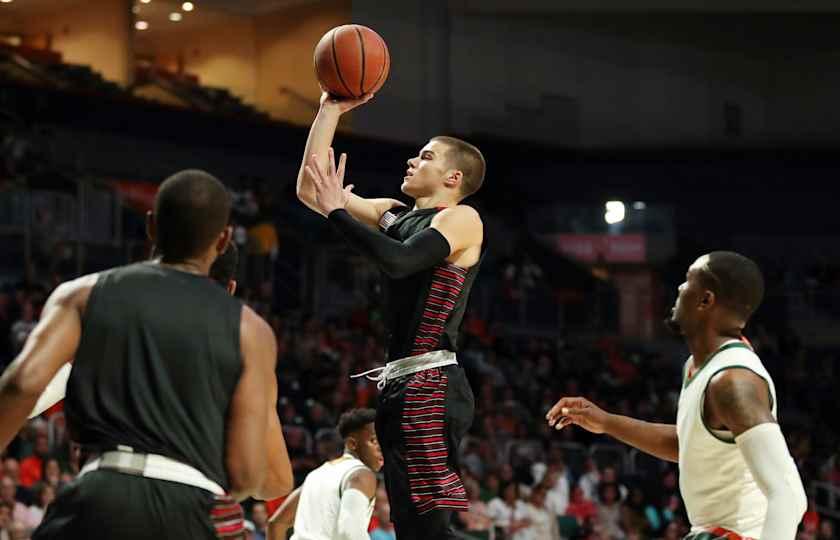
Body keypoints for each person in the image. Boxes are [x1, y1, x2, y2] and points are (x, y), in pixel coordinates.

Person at [0, 170, 293, 539]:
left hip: (98, 493)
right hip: (188, 508)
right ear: (222, 240)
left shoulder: (82, 294)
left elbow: (23, 382)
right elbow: (249, 474)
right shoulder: (252, 332)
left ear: (151, 226)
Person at [297, 90, 485, 540]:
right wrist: (330, 110)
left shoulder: (462, 218)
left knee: (426, 523)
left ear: (453, 175)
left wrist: (339, 211)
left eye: (425, 157)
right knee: (408, 522)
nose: (411, 161)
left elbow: (400, 260)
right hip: (400, 382)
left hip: (432, 381)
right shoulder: (392, 215)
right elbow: (311, 189)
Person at [546, 251, 807, 540]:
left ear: (706, 300)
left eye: (687, 281)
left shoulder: (733, 381)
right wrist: (606, 422)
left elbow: (789, 494)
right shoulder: (698, 367)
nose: (680, 289)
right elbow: (692, 445)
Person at [266, 408, 383, 540]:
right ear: (352, 444)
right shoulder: (363, 475)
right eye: (374, 440)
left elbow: (276, 524)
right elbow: (349, 533)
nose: (381, 447)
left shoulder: (316, 474)